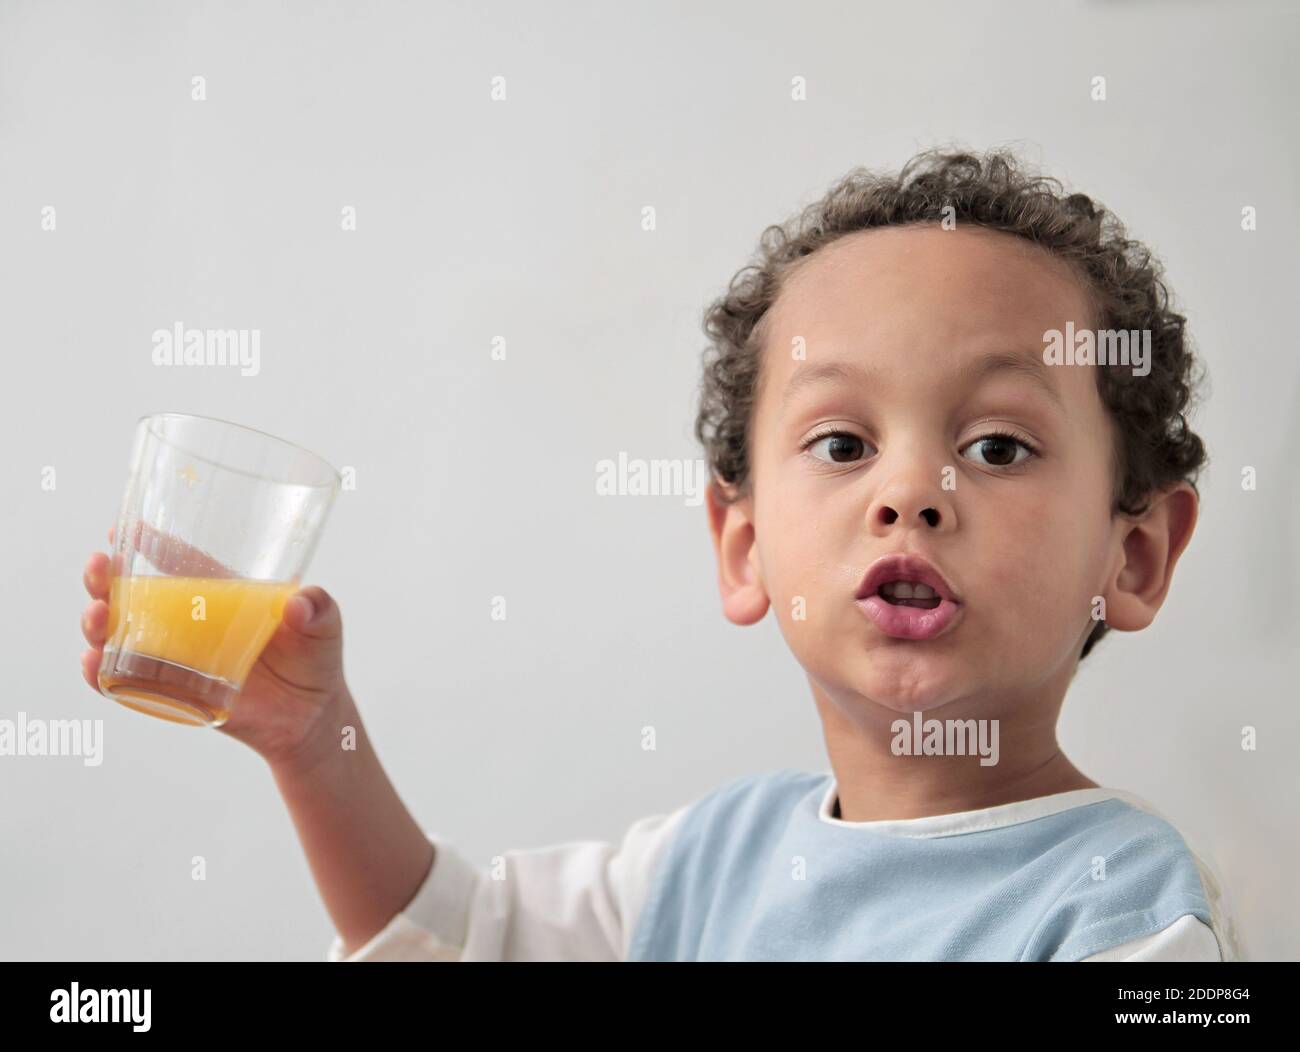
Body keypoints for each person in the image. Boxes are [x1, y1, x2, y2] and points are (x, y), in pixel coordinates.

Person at [77, 147, 1238, 961]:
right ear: (740, 546)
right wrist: (306, 737)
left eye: (994, 444)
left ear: (1132, 554)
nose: (908, 495)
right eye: (841, 441)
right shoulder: (703, 862)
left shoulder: (1129, 913)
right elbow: (446, 942)